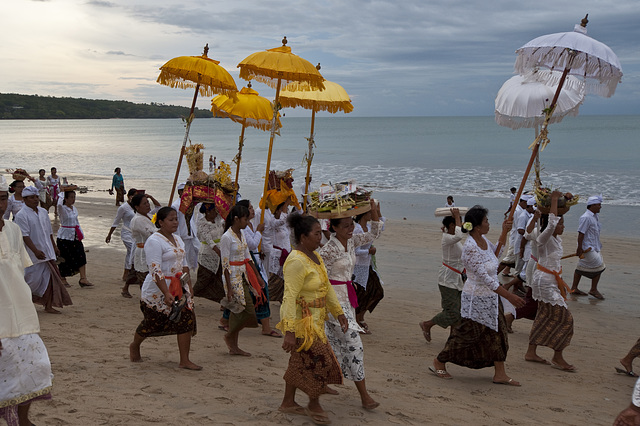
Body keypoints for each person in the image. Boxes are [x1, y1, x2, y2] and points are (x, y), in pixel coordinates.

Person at [432, 205, 524, 385]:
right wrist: (510, 296)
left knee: (498, 334)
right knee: (466, 335)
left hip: (490, 297)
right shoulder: (470, 247)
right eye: (486, 221)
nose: (489, 224)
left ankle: (500, 373)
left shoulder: (483, 240)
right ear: (476, 226)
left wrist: (505, 231)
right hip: (476, 298)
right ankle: (439, 361)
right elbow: (486, 278)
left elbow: (495, 254)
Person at [277, 213, 348, 424]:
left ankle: (288, 402)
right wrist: (289, 331)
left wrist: (339, 312)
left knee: (298, 362)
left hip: (317, 320)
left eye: (320, 233)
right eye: (316, 234)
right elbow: (289, 297)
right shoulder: (296, 261)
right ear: (303, 237)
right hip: (302, 323)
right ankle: (314, 403)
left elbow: (326, 288)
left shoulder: (315, 257)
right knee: (319, 361)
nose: (320, 238)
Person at [0, 175, 54, 426]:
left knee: (35, 366)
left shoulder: (12, 229)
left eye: (2, 199)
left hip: (21, 316)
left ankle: (23, 420)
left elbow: (20, 271)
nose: (0, 204)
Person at [319, 198, 382, 410]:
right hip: (334, 303)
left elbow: (374, 233)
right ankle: (364, 396)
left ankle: (320, 383)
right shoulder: (328, 250)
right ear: (333, 228)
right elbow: (319, 278)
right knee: (354, 345)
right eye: (345, 226)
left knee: (332, 345)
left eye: (351, 224)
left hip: (349, 300)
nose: (350, 228)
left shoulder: (353, 241)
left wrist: (373, 210)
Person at [128, 207, 201, 370]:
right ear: (160, 222)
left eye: (176, 219)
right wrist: (166, 292)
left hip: (179, 286)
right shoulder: (154, 241)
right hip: (157, 289)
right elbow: (155, 270)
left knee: (186, 320)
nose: (175, 222)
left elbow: (185, 264)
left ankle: (184, 360)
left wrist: (189, 286)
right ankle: (135, 345)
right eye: (171, 219)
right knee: (152, 323)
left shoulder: (178, 238)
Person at [523, 191, 575, 371]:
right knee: (566, 319)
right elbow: (550, 222)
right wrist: (553, 200)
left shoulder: (554, 238)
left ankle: (531, 352)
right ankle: (557, 356)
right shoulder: (544, 237)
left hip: (548, 279)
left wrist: (566, 200)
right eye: (562, 224)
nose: (563, 227)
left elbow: (535, 229)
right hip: (544, 281)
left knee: (543, 315)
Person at [15, 186, 72, 314]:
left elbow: (49, 232)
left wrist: (54, 246)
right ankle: (20, 302)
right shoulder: (21, 215)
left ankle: (48, 305)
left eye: (36, 197)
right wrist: (35, 251)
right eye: (32, 197)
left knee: (51, 279)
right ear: (25, 199)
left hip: (48, 252)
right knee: (31, 281)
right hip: (32, 256)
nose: (35, 200)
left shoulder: (43, 212)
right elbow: (25, 236)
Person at [219, 204, 264, 356]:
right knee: (245, 309)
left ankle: (232, 342)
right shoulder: (226, 237)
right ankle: (231, 336)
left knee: (239, 310)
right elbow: (225, 263)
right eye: (245, 219)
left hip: (243, 273)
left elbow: (247, 256)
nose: (247, 222)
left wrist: (257, 276)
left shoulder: (242, 234)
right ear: (237, 219)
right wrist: (229, 287)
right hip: (232, 276)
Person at [237, 199, 281, 337]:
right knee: (261, 291)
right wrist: (259, 232)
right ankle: (266, 327)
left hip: (255, 258)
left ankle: (227, 320)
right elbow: (251, 244)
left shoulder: (250, 224)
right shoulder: (243, 228)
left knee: (251, 293)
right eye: (250, 208)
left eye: (251, 207)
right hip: (249, 262)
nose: (252, 210)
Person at [420, 208, 464, 342]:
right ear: (452, 225)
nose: (460, 226)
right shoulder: (447, 238)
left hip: (457, 279)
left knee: (459, 311)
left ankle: (453, 337)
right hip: (447, 280)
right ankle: (427, 324)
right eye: (458, 223)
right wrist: (457, 216)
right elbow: (459, 235)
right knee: (452, 312)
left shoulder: (452, 239)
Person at [353, 206, 386, 334]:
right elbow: (355, 251)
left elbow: (379, 229)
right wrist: (369, 251)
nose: (372, 215)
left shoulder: (367, 228)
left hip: (368, 265)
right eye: (369, 212)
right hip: (358, 265)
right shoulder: (356, 229)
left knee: (377, 291)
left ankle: (360, 316)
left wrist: (377, 210)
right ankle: (357, 319)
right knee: (360, 293)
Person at [123, 193, 160, 298]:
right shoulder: (137, 220)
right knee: (144, 277)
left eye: (147, 202)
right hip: (142, 252)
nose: (148, 205)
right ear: (137, 207)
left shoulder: (148, 216)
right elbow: (152, 233)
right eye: (144, 203)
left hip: (150, 251)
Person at [57, 189, 93, 287]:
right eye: (71, 197)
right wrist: (62, 191)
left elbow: (76, 222)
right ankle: (62, 278)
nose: (73, 199)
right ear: (66, 199)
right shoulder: (62, 208)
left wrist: (80, 234)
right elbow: (59, 204)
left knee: (81, 255)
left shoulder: (74, 209)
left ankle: (83, 278)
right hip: (64, 236)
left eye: (74, 197)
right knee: (64, 257)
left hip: (74, 235)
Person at [571, 195, 605, 300]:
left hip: (594, 246)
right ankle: (593, 289)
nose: (600, 207)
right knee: (599, 266)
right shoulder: (586, 217)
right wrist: (579, 248)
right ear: (592, 205)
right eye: (598, 205)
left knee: (580, 267)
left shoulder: (594, 216)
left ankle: (574, 288)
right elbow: (581, 233)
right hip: (586, 248)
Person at [193, 202, 226, 304]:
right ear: (207, 212)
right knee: (203, 281)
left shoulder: (217, 219)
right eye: (213, 210)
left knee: (220, 279)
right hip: (207, 255)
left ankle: (222, 301)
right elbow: (209, 241)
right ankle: (188, 297)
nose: (216, 212)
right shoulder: (202, 223)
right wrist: (221, 253)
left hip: (219, 253)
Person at [106, 188, 138, 283]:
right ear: (128, 196)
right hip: (126, 233)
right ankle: (127, 274)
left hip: (135, 234)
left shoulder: (137, 207)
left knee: (131, 253)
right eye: (133, 195)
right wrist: (109, 235)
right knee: (132, 250)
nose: (134, 197)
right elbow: (116, 221)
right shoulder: (123, 208)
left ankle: (129, 275)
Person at [171, 183, 199, 272]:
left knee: (195, 254)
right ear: (179, 192)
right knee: (184, 258)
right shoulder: (175, 205)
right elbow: (176, 222)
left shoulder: (190, 203)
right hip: (183, 234)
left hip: (192, 233)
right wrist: (177, 237)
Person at [267, 200, 291, 303]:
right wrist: (285, 204)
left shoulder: (286, 224)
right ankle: (264, 302)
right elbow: (282, 220)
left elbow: (299, 214)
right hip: (277, 256)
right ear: (276, 211)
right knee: (274, 282)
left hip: (286, 255)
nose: (285, 212)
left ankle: (283, 300)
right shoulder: (272, 222)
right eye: (281, 210)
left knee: (285, 281)